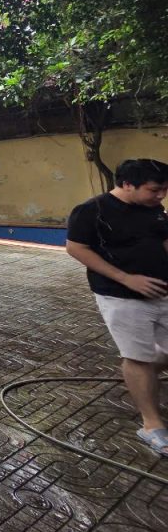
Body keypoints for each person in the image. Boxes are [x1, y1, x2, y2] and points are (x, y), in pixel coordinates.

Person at [66, 158, 168, 457]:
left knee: (151, 358)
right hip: (121, 296)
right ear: (127, 184)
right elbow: (76, 248)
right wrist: (126, 278)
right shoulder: (91, 210)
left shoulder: (153, 209)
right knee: (137, 357)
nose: (161, 195)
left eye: (164, 189)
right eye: (155, 189)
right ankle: (151, 425)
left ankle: (142, 376)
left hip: (162, 290)